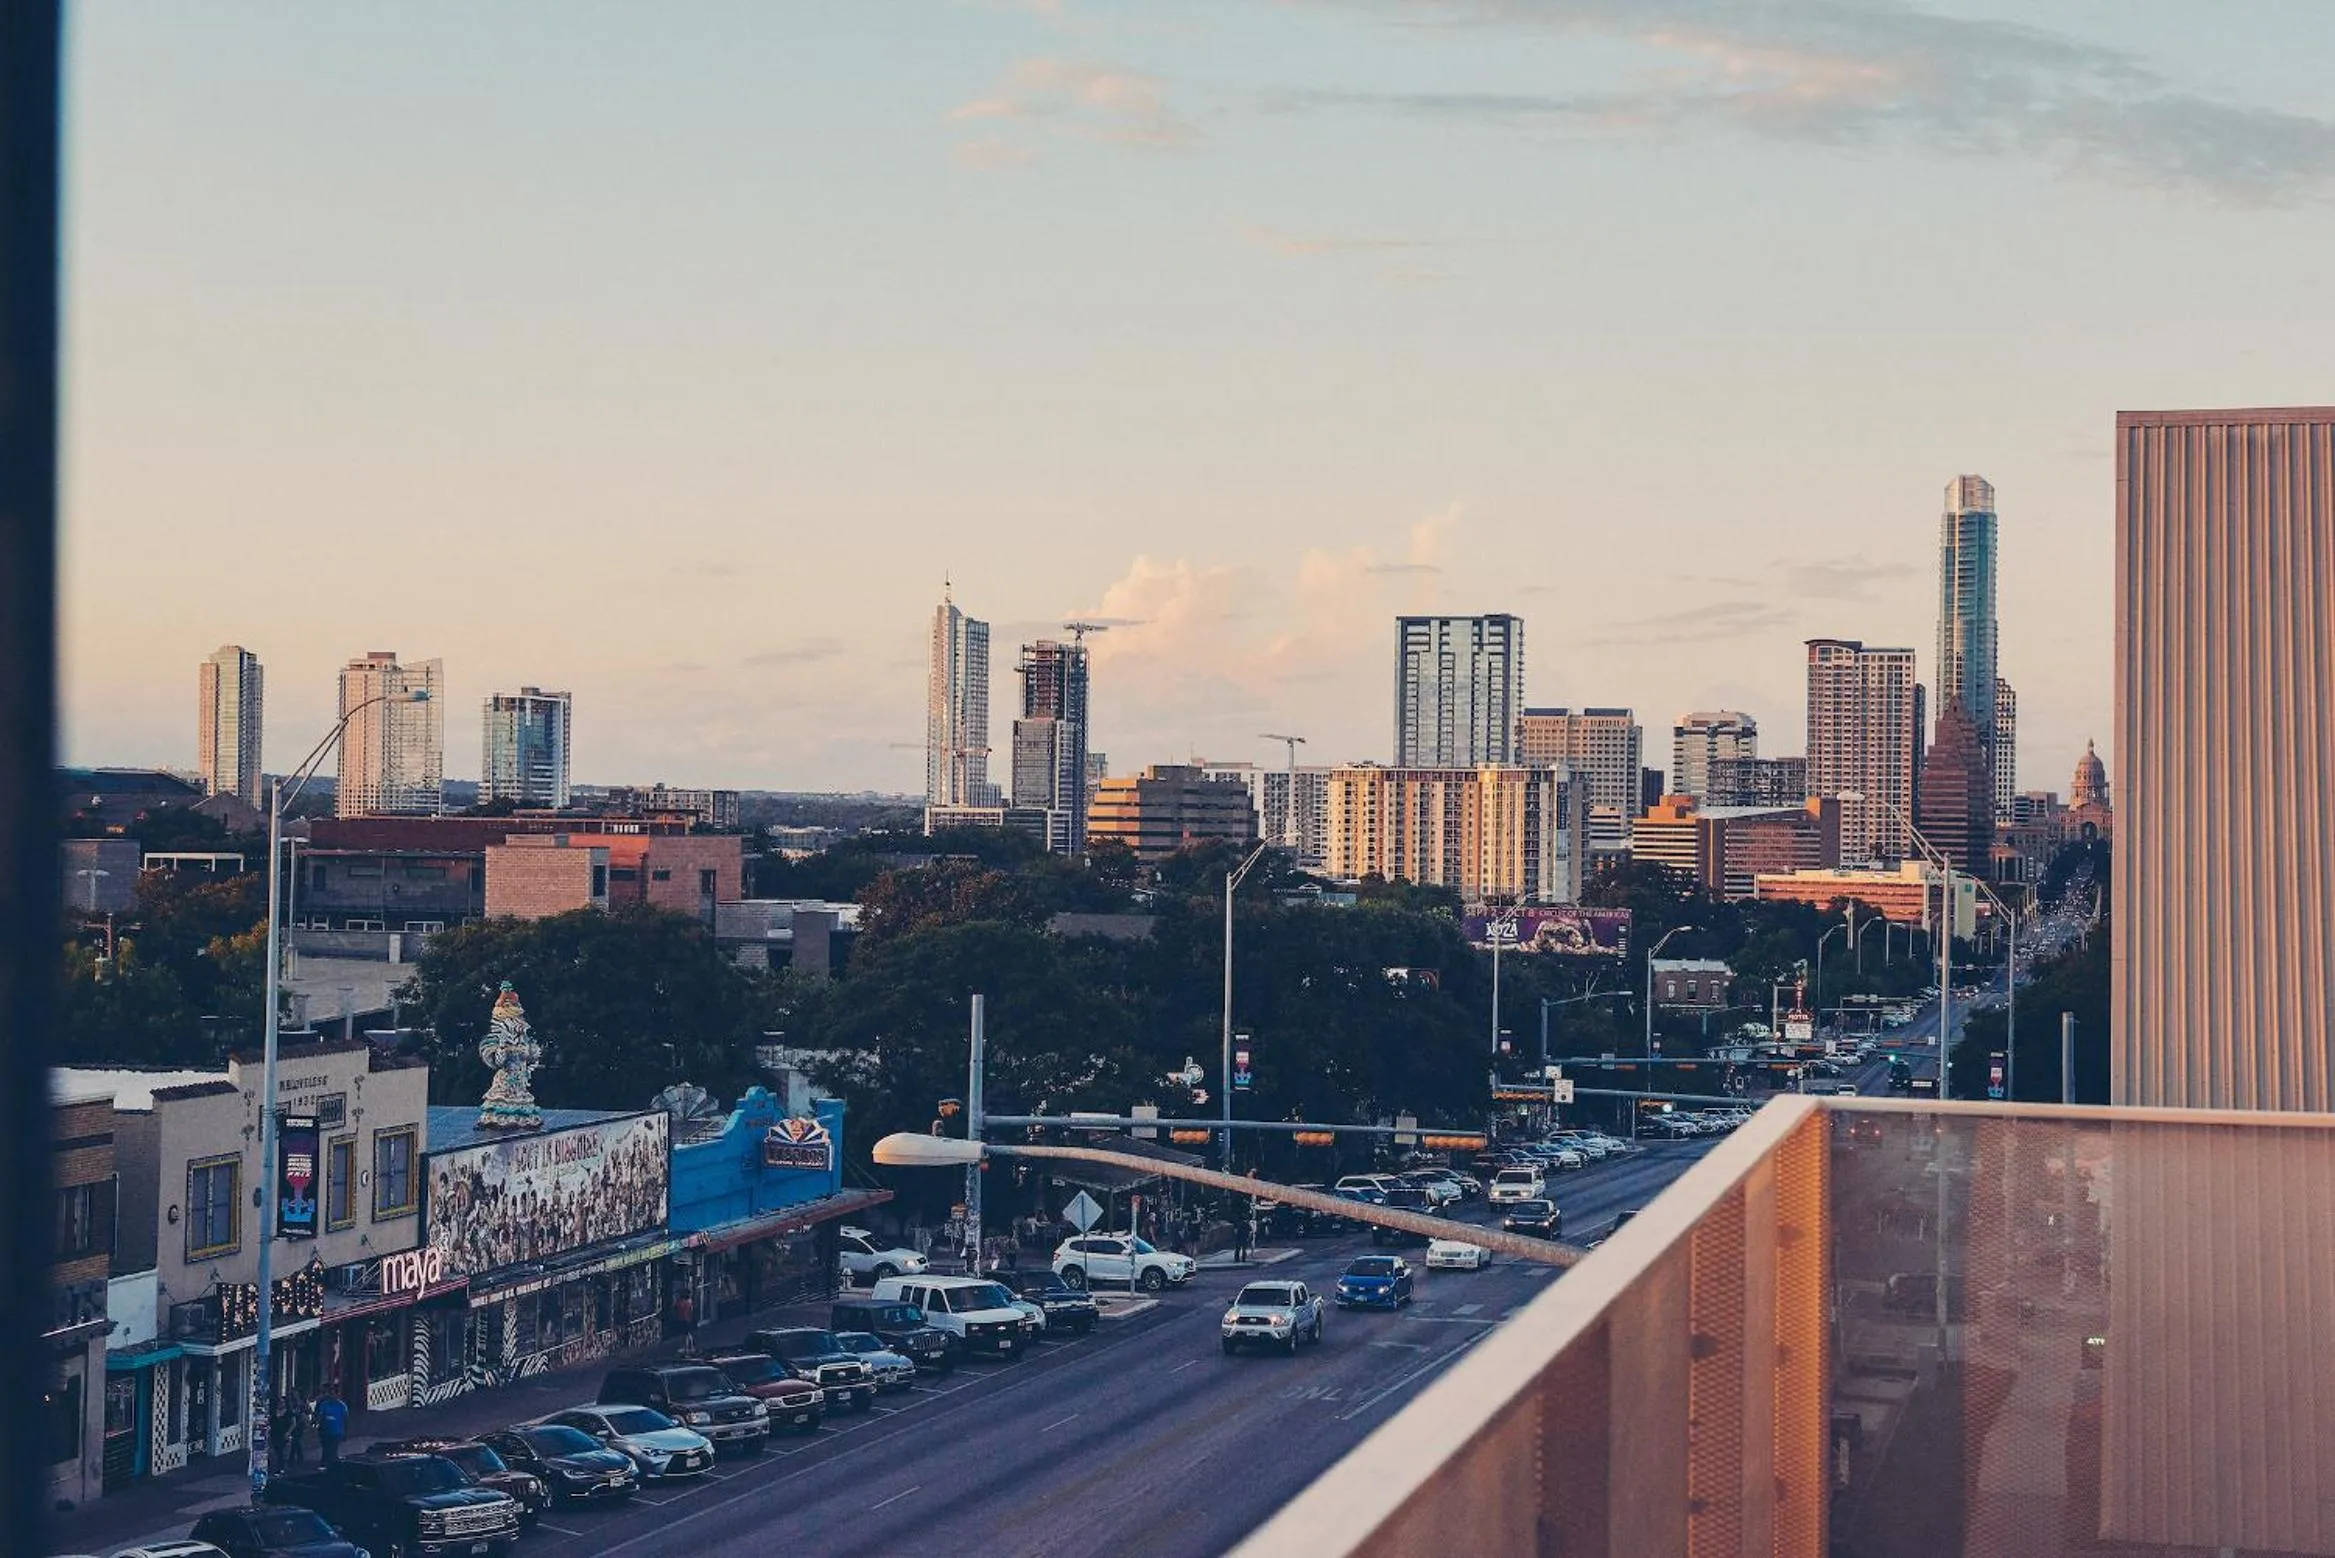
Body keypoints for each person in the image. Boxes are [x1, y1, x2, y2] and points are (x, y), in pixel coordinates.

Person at [313, 1386, 347, 1467]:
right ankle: (324, 1464)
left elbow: (345, 1419)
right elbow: (320, 1416)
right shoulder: (324, 1404)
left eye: (333, 1394)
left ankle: (332, 1465)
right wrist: (316, 1426)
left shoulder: (342, 1405)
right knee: (326, 1448)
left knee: (333, 1449)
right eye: (330, 1394)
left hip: (337, 1432)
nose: (331, 1396)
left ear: (337, 1394)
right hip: (325, 1431)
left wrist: (345, 1432)